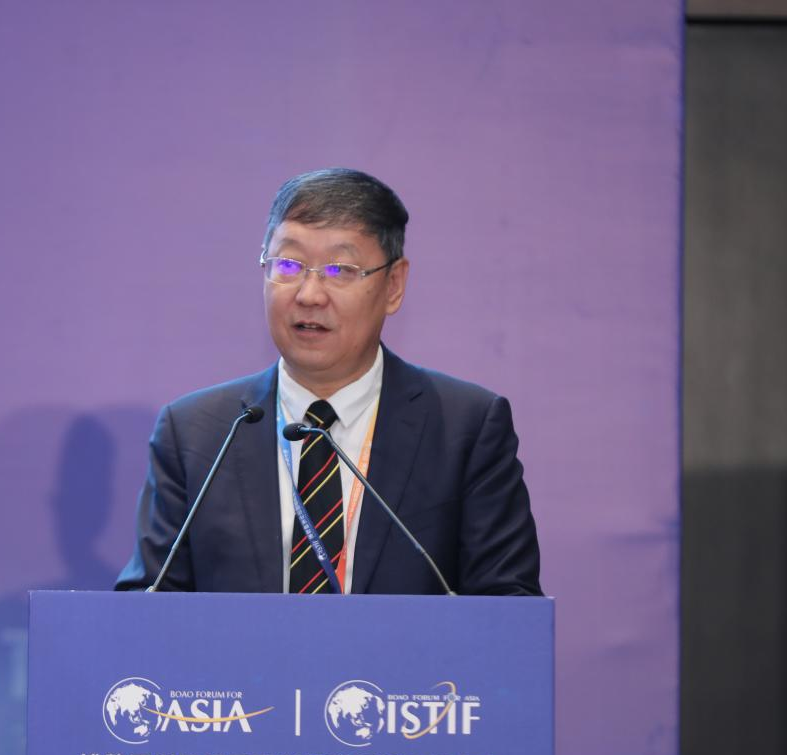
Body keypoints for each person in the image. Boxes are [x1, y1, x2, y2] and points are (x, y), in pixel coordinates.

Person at [115, 168, 541, 595]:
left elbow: (508, 611)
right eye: (288, 265)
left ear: (394, 285)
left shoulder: (464, 430)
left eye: (340, 269)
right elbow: (146, 609)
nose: (309, 295)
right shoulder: (195, 434)